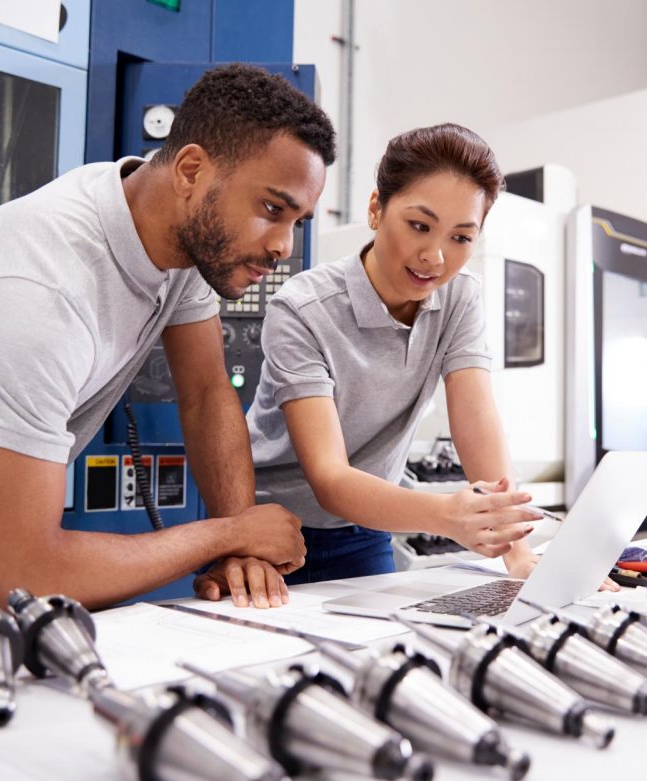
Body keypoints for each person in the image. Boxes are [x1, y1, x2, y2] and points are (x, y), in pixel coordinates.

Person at [0, 65, 334, 609]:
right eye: (271, 209)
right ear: (191, 170)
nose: (283, 245)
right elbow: (26, 577)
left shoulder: (178, 237)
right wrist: (228, 535)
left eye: (298, 221)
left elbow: (207, 392)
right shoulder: (38, 287)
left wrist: (243, 548)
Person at [196, 124, 618, 598]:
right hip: (273, 534)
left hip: (368, 530)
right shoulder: (303, 308)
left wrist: (517, 554)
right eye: (419, 226)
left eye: (461, 237)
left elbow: (476, 418)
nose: (434, 256)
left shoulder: (459, 299)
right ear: (376, 209)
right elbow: (329, 477)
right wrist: (444, 515)